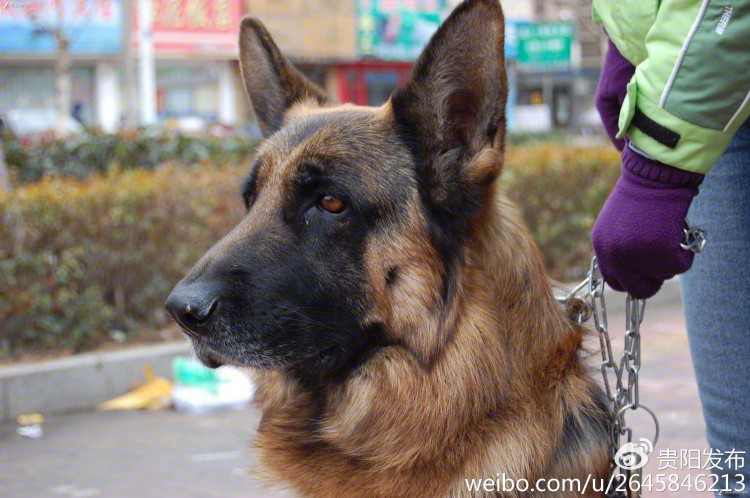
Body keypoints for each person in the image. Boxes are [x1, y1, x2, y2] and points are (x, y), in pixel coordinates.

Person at [592, 1, 749, 495]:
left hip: (715, 83)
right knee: (738, 452)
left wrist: (657, 172)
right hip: (709, 93)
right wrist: (631, 42)